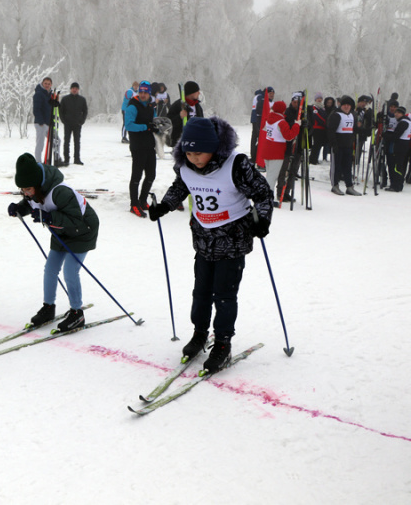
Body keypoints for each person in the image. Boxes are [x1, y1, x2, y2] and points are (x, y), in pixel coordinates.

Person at [148, 116, 273, 374]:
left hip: (233, 240)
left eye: (199, 152)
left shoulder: (235, 165)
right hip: (203, 241)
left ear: (214, 148)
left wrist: (263, 219)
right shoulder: (185, 166)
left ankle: (223, 343)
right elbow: (181, 187)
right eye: (189, 152)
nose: (193, 158)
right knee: (201, 293)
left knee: (224, 296)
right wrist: (164, 205)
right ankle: (200, 334)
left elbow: (262, 193)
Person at [7, 153, 99, 332]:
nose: (25, 193)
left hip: (83, 230)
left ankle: (77, 313)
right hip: (61, 230)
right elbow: (31, 203)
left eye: (28, 189)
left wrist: (49, 217)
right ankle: (48, 308)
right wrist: (19, 208)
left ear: (37, 184)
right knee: (50, 269)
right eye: (22, 190)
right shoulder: (35, 191)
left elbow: (75, 219)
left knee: (70, 271)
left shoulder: (59, 192)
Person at [256, 101, 300, 205]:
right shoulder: (281, 122)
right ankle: (267, 199)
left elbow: (263, 127)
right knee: (272, 176)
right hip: (277, 152)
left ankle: (265, 196)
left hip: (267, 150)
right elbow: (289, 136)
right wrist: (296, 126)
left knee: (269, 175)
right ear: (282, 110)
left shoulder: (269, 118)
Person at [125, 80, 157, 217]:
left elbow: (154, 122)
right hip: (138, 146)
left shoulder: (151, 106)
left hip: (150, 145)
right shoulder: (133, 106)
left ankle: (143, 200)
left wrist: (157, 128)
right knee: (137, 176)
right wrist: (146, 127)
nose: (143, 94)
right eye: (141, 92)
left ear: (149, 93)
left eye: (145, 92)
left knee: (151, 175)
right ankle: (134, 204)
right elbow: (129, 125)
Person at [327, 95, 362, 196]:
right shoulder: (336, 115)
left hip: (348, 145)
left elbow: (354, 129)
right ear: (341, 105)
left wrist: (366, 130)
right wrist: (333, 144)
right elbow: (330, 131)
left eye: (348, 105)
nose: (346, 107)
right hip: (338, 145)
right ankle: (335, 185)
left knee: (347, 167)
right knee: (336, 166)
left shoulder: (352, 115)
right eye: (344, 105)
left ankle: (349, 186)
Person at [59, 82, 88, 165]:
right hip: (67, 124)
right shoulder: (65, 99)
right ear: (70, 89)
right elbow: (61, 111)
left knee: (77, 141)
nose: (74, 90)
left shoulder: (82, 99)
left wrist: (82, 121)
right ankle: (66, 159)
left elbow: (85, 111)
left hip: (77, 124)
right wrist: (64, 121)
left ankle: (77, 159)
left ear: (78, 90)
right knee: (66, 141)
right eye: (73, 88)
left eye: (76, 88)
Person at [168, 80, 203, 146]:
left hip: (195, 142)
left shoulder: (198, 106)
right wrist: (179, 117)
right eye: (197, 91)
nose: (199, 93)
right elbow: (169, 123)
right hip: (180, 143)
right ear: (191, 93)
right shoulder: (177, 105)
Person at [384, 106, 410, 192]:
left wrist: (385, 136)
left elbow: (396, 135)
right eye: (395, 113)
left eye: (398, 113)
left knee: (397, 166)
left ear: (402, 114)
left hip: (401, 146)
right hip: (404, 145)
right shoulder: (406, 121)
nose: (396, 114)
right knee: (400, 165)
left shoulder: (403, 122)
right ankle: (397, 184)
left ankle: (396, 185)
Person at [33, 77, 54, 162]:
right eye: (45, 83)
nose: (47, 85)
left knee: (56, 140)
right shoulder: (39, 94)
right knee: (40, 144)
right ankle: (38, 161)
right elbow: (36, 109)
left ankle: (56, 158)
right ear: (42, 83)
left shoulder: (50, 95)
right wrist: (41, 121)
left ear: (51, 85)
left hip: (48, 123)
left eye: (49, 84)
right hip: (41, 123)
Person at [250, 87, 274, 163]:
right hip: (258, 121)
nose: (272, 95)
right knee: (259, 139)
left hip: (255, 120)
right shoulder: (261, 98)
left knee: (254, 139)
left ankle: (253, 157)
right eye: (270, 93)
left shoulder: (258, 96)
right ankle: (255, 157)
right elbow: (259, 110)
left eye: (273, 94)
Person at [309, 92, 327, 165]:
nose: (319, 100)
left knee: (319, 145)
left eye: (320, 98)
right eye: (318, 98)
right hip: (317, 128)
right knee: (316, 145)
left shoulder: (322, 108)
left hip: (322, 128)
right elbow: (317, 117)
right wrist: (325, 122)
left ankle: (315, 158)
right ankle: (313, 159)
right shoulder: (314, 107)